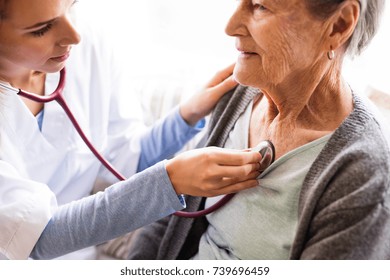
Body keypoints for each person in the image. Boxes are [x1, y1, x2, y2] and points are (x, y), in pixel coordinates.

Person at [126, 0, 390, 260]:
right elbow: (171, 217)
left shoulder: (362, 172)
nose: (230, 27)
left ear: (338, 25)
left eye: (260, 6)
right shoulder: (240, 95)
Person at [0, 0, 263, 260]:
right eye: (42, 29)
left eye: (72, 5)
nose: (75, 35)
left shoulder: (86, 46)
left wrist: (186, 115)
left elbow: (125, 157)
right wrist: (169, 182)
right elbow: (38, 237)